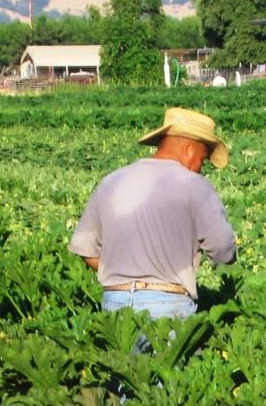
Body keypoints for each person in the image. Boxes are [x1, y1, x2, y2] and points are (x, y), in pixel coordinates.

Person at [69, 107, 237, 320]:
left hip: (114, 304)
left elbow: (86, 249)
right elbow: (223, 249)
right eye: (202, 160)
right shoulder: (195, 185)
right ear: (188, 150)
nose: (200, 169)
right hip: (167, 305)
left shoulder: (111, 181)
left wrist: (122, 274)